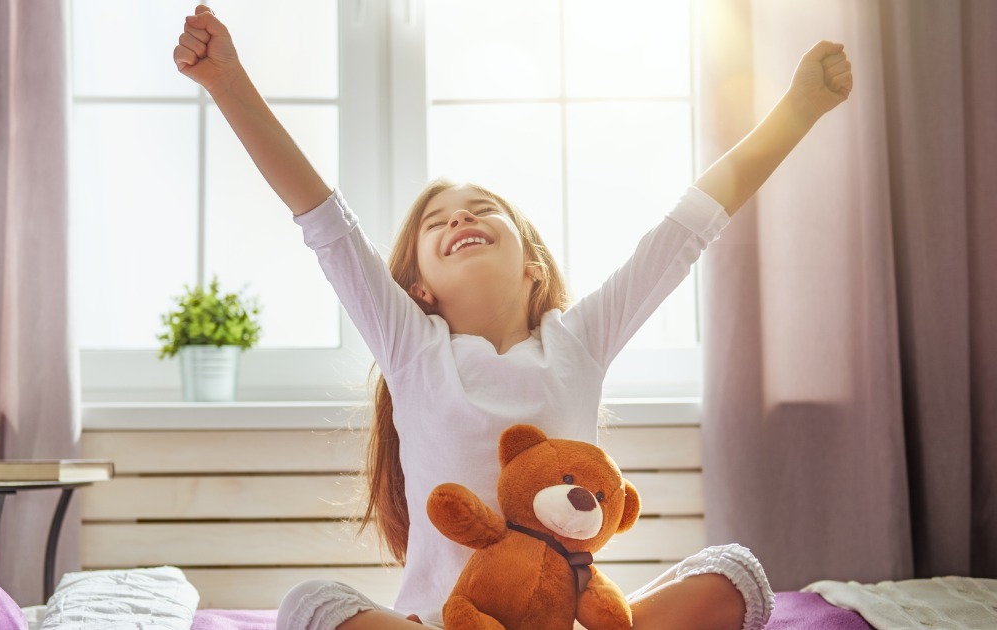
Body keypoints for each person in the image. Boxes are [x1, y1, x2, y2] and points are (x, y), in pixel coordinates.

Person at [173, 5, 852, 630]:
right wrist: (227, 82)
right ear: (420, 289)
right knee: (310, 605)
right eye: (438, 222)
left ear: (533, 264)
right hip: (448, 621)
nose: (461, 218)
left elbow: (685, 231)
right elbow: (325, 221)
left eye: (481, 209)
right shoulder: (412, 347)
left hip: (563, 618)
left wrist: (799, 109)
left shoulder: (577, 341)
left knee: (739, 574)